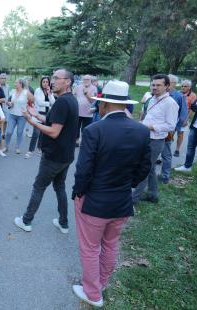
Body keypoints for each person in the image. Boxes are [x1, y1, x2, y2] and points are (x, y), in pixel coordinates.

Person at [71, 80, 151, 307]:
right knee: (110, 244)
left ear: (105, 104)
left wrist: (79, 192)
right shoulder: (141, 130)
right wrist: (128, 184)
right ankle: (101, 283)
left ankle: (93, 293)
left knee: (90, 247)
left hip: (95, 201)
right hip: (122, 199)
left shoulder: (94, 130)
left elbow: (83, 169)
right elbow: (145, 167)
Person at [14, 69, 78, 234]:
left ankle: (26, 220)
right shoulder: (70, 99)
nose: (52, 81)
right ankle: (63, 223)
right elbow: (56, 122)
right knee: (60, 187)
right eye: (53, 77)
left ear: (67, 82)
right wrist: (37, 115)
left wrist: (31, 121)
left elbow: (54, 132)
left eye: (57, 78)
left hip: (54, 156)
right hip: (66, 155)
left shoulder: (63, 102)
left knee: (39, 187)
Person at [132, 74, 178, 204]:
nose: (155, 87)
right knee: (150, 168)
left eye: (158, 85)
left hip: (156, 141)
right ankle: (153, 195)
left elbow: (171, 126)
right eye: (153, 85)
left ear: (167, 86)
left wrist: (151, 127)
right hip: (145, 138)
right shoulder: (152, 99)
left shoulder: (170, 103)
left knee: (144, 169)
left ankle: (133, 199)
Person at [159, 74, 187, 184]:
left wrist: (173, 128)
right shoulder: (160, 93)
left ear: (174, 84)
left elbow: (183, 114)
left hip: (168, 130)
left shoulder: (179, 96)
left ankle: (165, 176)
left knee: (166, 153)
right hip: (155, 128)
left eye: (169, 82)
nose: (166, 84)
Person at [25, 76, 55, 159]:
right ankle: (30, 150)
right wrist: (48, 103)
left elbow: (54, 102)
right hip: (38, 114)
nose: (45, 83)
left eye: (47, 82)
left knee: (43, 133)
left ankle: (40, 148)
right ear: (41, 83)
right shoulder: (38, 90)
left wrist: (49, 94)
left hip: (47, 115)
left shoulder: (49, 91)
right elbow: (39, 102)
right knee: (36, 133)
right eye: (44, 82)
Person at [2, 78, 35, 155]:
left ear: (20, 84)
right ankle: (6, 146)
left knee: (19, 132)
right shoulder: (12, 91)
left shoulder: (26, 92)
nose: (15, 84)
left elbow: (33, 100)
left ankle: (18, 147)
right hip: (12, 115)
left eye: (16, 83)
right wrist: (9, 103)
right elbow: (8, 101)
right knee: (9, 132)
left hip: (22, 116)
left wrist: (28, 108)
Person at [174, 80, 197, 157]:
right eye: (182, 86)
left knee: (180, 134)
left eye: (185, 86)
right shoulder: (177, 93)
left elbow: (191, 109)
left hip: (183, 117)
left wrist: (186, 120)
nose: (183, 87)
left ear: (189, 87)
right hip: (174, 116)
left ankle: (177, 149)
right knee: (169, 134)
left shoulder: (193, 95)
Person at [73, 74, 97, 147]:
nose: (86, 81)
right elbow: (73, 95)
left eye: (87, 79)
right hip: (78, 112)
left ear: (90, 80)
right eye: (84, 79)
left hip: (88, 113)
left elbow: (92, 101)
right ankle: (76, 141)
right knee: (76, 128)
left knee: (86, 129)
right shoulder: (78, 87)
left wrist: (86, 93)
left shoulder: (94, 88)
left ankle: (84, 142)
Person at [0, 73, 10, 156]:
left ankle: (3, 136)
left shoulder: (8, 86)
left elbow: (8, 97)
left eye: (4, 78)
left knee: (5, 122)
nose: (3, 79)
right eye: (2, 78)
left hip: (5, 107)